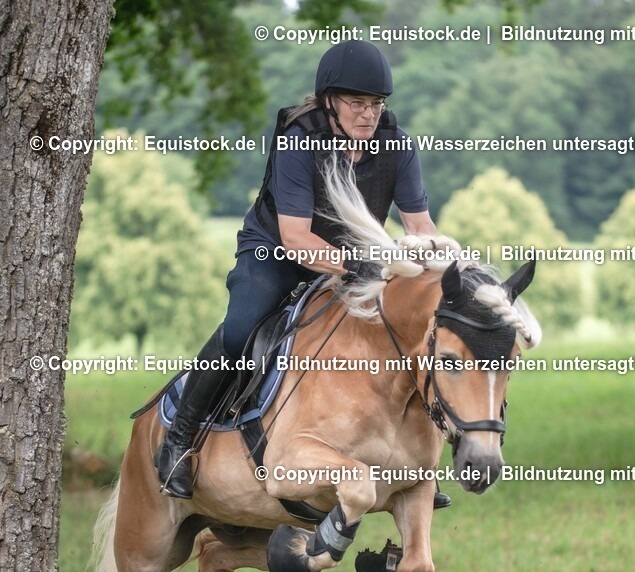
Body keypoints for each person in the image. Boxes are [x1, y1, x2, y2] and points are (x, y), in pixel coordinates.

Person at [155, 40, 449, 507]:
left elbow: (419, 226)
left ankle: (408, 465)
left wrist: (438, 266)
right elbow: (297, 239)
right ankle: (180, 437)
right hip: (277, 251)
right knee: (241, 329)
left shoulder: (396, 145)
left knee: (404, 329)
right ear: (329, 101)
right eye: (357, 103)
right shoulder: (298, 139)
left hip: (355, 256)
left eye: (376, 104)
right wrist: (364, 264)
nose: (369, 114)